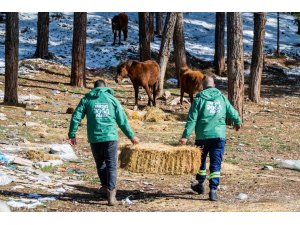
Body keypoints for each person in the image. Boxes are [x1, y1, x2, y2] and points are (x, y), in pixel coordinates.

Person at [68, 79, 139, 206]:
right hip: (110, 137)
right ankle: (111, 196)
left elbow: (76, 116)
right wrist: (131, 136)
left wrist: (72, 134)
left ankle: (105, 187)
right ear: (105, 87)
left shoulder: (87, 99)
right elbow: (122, 120)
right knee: (111, 165)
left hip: (94, 138)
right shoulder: (112, 99)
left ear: (94, 88)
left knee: (100, 164)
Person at [179, 76, 241, 201]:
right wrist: (238, 121)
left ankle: (200, 185)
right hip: (219, 136)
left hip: (202, 136)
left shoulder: (199, 99)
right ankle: (213, 190)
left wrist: (185, 136)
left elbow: (192, 119)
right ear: (214, 84)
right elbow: (232, 112)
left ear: (202, 85)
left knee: (200, 161)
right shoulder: (221, 97)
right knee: (215, 162)